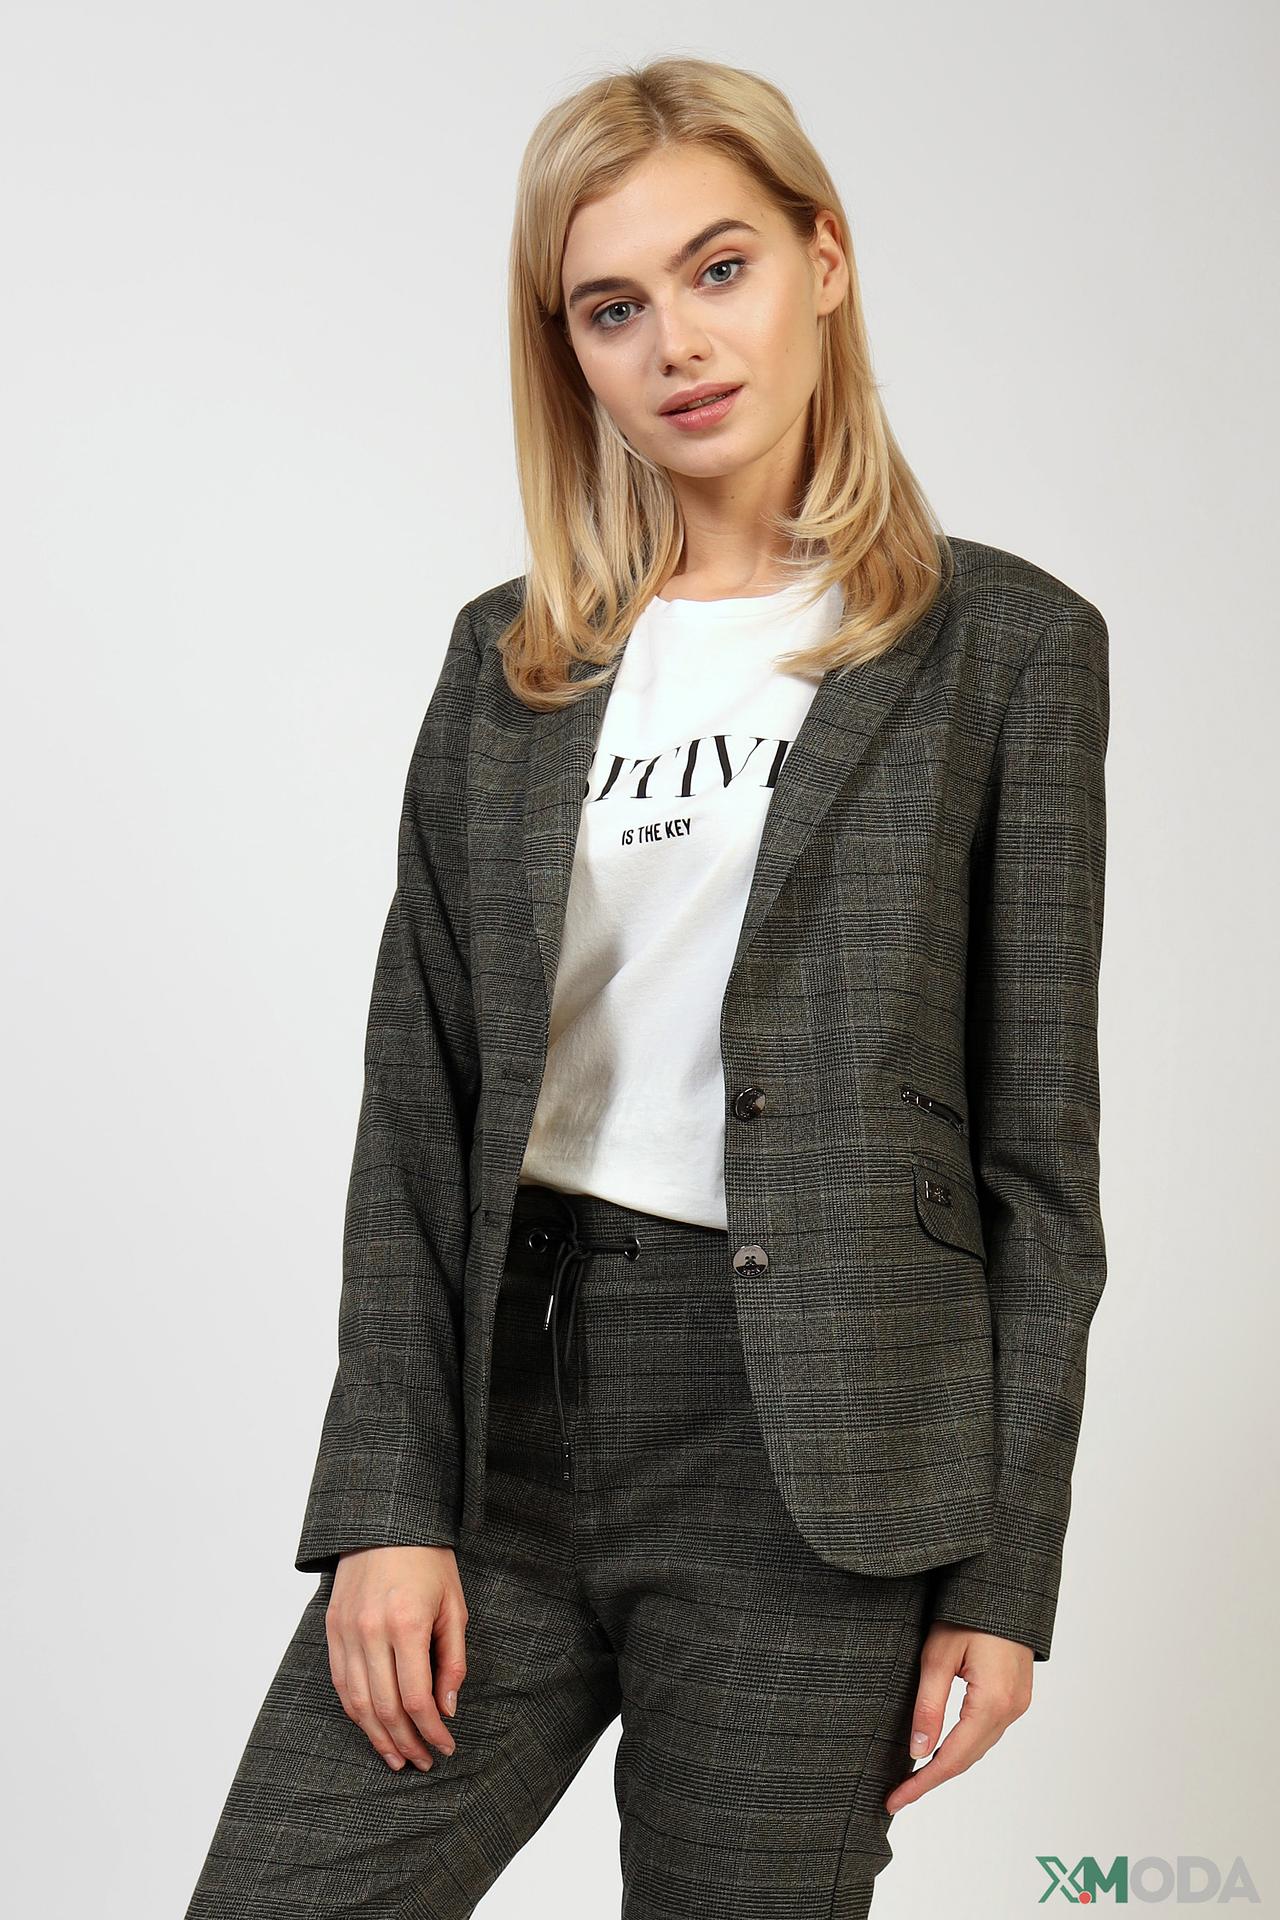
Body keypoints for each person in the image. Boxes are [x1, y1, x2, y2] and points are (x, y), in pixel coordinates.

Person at [184, 54, 1110, 1920]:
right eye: (612, 307)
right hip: (507, 1415)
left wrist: (1006, 1581)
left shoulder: (1007, 649)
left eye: (719, 269)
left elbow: (1037, 1166)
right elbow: (418, 1100)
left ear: (823, 262)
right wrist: (385, 1503)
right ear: (573, 354)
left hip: (816, 1462)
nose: (677, 342)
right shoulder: (510, 664)